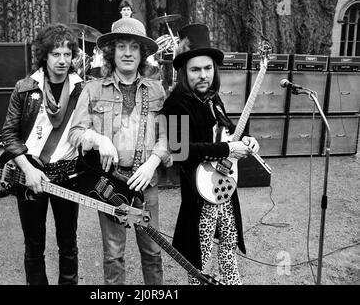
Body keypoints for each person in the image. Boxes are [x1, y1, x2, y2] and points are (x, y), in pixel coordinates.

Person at [68, 17, 171, 285]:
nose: (127, 53)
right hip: (109, 183)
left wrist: (153, 162)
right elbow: (74, 133)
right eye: (121, 46)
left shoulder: (157, 90)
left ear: (142, 54)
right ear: (111, 52)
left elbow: (172, 136)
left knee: (152, 251)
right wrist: (98, 139)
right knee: (114, 254)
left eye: (134, 47)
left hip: (146, 183)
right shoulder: (91, 90)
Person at [161, 23, 260, 285]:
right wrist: (228, 148)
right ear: (185, 72)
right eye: (195, 69)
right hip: (198, 194)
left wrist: (246, 141)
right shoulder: (175, 104)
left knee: (229, 244)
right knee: (199, 262)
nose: (203, 75)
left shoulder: (214, 98)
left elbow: (226, 130)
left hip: (224, 186)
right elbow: (181, 151)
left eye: (207, 68)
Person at [1, 23, 84, 285]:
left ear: (73, 57)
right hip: (30, 174)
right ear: (44, 56)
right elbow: (9, 135)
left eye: (67, 54)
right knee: (34, 245)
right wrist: (27, 169)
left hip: (68, 174)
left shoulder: (83, 90)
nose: (62, 60)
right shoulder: (25, 88)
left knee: (68, 243)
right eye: (56, 54)